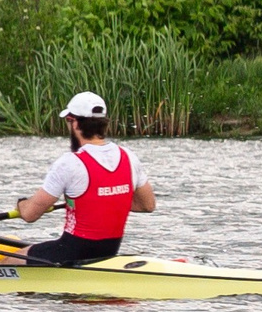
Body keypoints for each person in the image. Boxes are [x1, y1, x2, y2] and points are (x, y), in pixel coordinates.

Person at [11, 91, 155, 265]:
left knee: (9, 260)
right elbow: (147, 205)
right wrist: (102, 200)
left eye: (68, 121)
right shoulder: (129, 157)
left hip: (71, 252)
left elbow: (29, 214)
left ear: (75, 123)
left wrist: (21, 204)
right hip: (108, 251)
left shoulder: (69, 163)